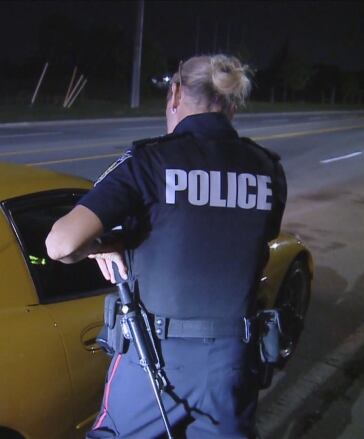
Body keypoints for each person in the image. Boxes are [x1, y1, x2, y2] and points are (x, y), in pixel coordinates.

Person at [45, 54, 286, 438]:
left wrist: (106, 243)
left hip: (154, 360)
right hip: (233, 361)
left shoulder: (151, 160)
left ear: (175, 93)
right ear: (232, 107)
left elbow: (60, 244)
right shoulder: (267, 168)